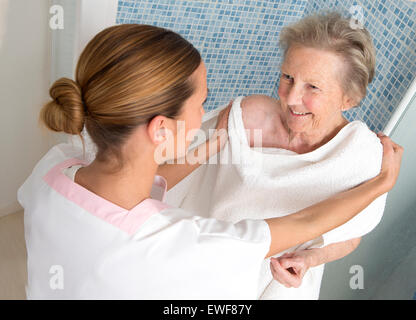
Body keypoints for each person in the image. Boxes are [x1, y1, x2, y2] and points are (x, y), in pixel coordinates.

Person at [18, 24, 403, 299]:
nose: (290, 97)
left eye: (313, 87)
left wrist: (214, 141)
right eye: (201, 103)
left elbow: (130, 185)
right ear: (161, 129)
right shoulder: (189, 244)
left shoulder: (51, 170)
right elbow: (302, 223)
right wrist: (382, 184)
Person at [159, 13, 397, 299]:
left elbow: (350, 234)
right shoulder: (248, 117)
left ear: (350, 98)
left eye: (313, 87)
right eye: (288, 77)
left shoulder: (359, 157)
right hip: (206, 262)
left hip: (276, 283)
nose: (291, 97)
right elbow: (168, 167)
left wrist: (309, 259)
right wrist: (218, 138)